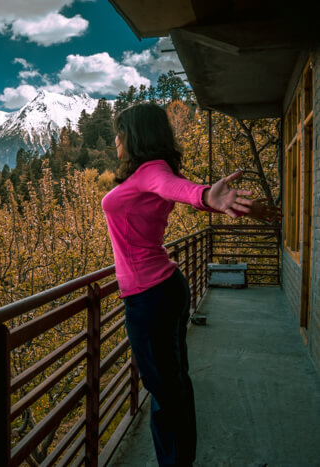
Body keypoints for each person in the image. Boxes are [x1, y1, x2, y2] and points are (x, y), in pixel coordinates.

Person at [101, 103, 278, 466]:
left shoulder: (152, 172)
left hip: (150, 298)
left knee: (166, 391)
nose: (116, 140)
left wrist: (206, 196)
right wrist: (219, 203)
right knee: (172, 385)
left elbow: (179, 189)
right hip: (162, 290)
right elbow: (176, 189)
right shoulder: (145, 174)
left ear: (135, 136)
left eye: (121, 132)